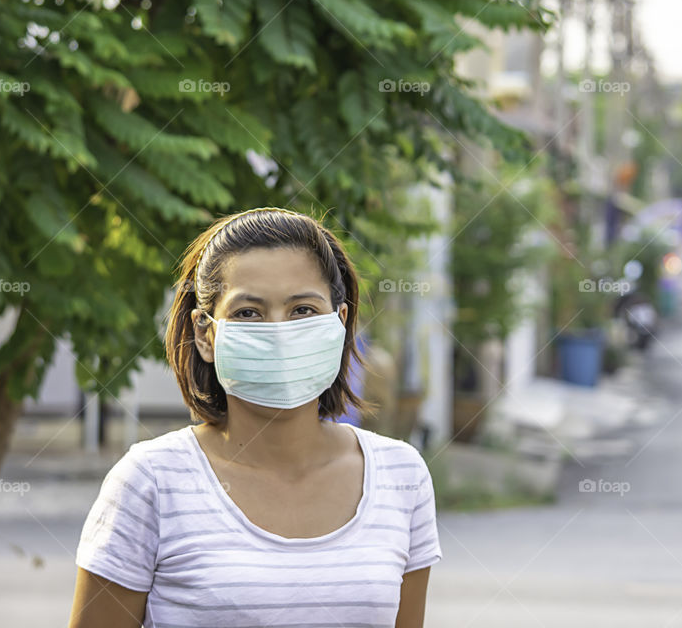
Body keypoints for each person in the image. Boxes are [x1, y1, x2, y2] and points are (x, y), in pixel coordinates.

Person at [68, 207, 443, 628]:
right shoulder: (150, 482)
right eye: (248, 313)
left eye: (303, 310)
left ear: (340, 324)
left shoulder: (401, 474)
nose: (279, 333)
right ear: (205, 334)